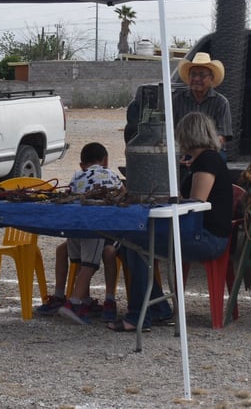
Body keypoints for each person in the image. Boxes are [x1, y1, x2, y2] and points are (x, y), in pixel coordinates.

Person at [108, 112, 232, 332]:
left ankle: (140, 315)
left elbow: (195, 203)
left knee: (133, 243)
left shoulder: (208, 160)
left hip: (207, 237)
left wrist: (163, 201)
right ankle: (158, 308)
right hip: (203, 233)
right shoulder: (202, 160)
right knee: (129, 245)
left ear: (187, 134)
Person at [35, 142, 123, 325]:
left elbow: (70, 195)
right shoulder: (112, 176)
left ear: (82, 164)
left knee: (84, 258)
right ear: (105, 160)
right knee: (89, 264)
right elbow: (124, 196)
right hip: (99, 228)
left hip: (78, 228)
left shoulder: (77, 177)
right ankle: (77, 301)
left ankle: (68, 297)